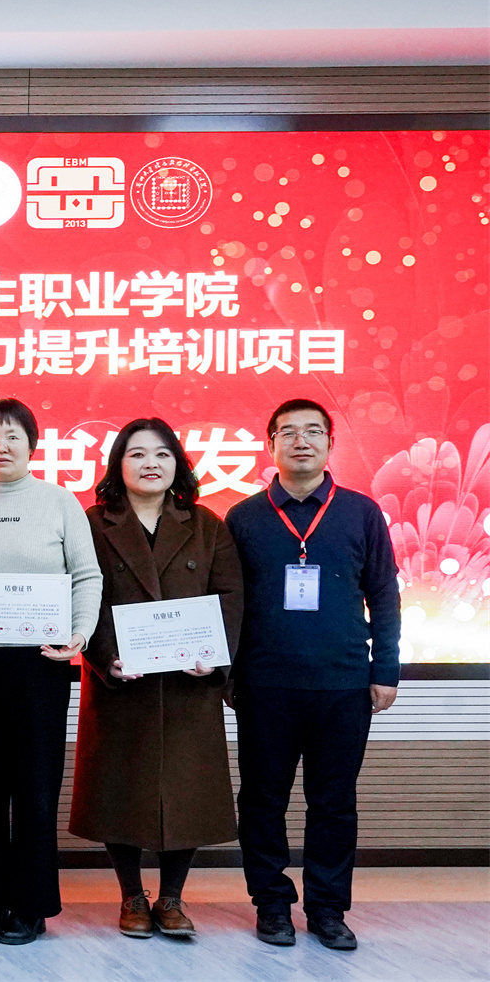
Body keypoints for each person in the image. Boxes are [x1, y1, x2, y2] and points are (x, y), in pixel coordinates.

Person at [226, 398, 400, 952]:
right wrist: (227, 674)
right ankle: (271, 903)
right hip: (264, 684)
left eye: (313, 432)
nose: (300, 441)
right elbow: (228, 603)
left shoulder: (361, 512)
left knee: (334, 802)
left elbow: (384, 593)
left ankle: (327, 908)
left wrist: (386, 668)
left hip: (343, 683)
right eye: (288, 432)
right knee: (262, 800)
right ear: (270, 444)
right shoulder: (244, 517)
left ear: (329, 443)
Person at [70, 419, 244, 939]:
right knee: (119, 790)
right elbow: (81, 595)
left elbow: (230, 597)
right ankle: (131, 896)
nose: (151, 463)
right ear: (118, 465)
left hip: (188, 685)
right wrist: (106, 657)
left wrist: (215, 657)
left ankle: (171, 898)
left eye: (163, 454)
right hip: (122, 683)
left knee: (186, 790)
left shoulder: (207, 524)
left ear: (178, 464)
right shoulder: (91, 523)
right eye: (138, 454)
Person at [0, 397, 102, 945]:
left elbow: (87, 575)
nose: (0, 446)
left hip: (41, 664)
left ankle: (30, 903)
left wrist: (78, 633)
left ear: (32, 445)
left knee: (34, 786)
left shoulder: (60, 502)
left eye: (12, 436)